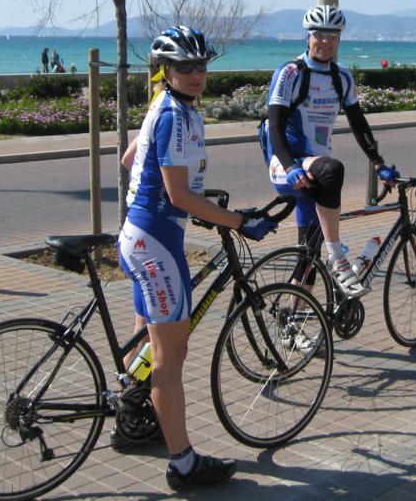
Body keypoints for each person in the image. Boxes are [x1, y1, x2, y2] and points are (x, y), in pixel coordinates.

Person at [117, 25, 277, 490]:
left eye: (201, 65)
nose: (195, 74)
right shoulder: (174, 115)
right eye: (184, 66)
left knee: (147, 346)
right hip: (156, 243)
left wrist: (196, 203)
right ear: (166, 70)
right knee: (170, 358)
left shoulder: (165, 106)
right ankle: (183, 464)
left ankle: (132, 420)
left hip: (143, 235)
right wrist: (237, 221)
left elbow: (130, 160)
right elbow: (179, 195)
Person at [261, 4, 396, 297]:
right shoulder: (290, 73)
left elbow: (358, 123)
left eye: (332, 36)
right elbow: (275, 127)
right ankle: (338, 259)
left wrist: (378, 163)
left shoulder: (342, 77)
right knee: (332, 169)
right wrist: (290, 167)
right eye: (319, 35)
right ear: (308, 37)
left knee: (308, 257)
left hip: (315, 171)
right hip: (287, 165)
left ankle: (293, 315)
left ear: (339, 40)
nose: (325, 41)